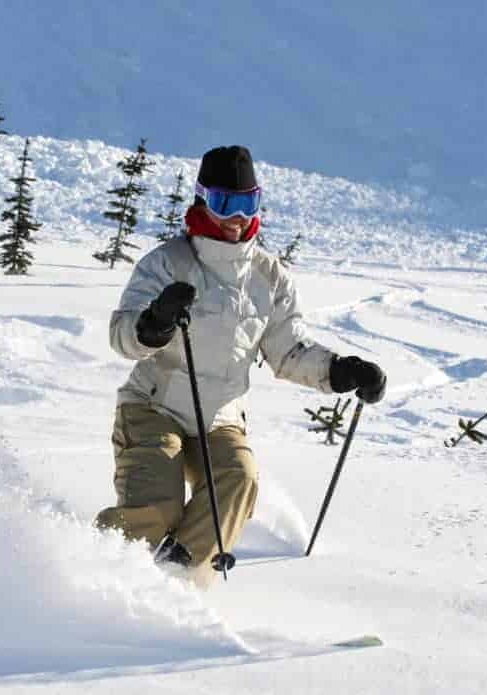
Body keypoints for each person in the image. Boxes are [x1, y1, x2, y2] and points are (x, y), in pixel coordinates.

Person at [95, 145, 386, 583]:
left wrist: (341, 370)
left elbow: (288, 353)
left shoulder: (269, 277)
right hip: (154, 407)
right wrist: (154, 324)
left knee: (238, 480)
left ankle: (177, 580)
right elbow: (122, 334)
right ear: (202, 200)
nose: (236, 217)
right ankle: (99, 575)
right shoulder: (166, 264)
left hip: (221, 417)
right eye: (224, 203)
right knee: (156, 508)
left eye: (247, 204)